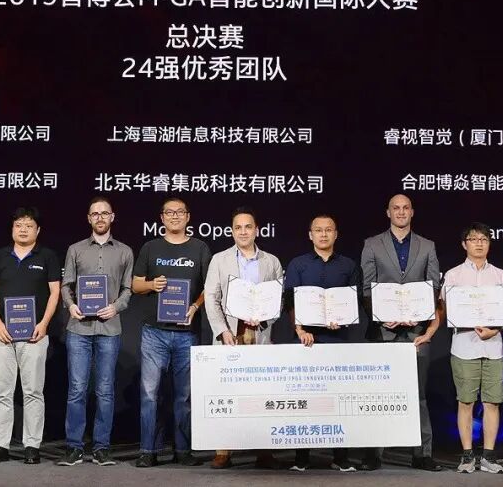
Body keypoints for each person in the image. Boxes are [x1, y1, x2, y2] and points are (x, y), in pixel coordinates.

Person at [359, 194, 442, 471]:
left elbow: (433, 288)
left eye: (406, 208)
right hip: (383, 332)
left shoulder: (427, 246)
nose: (401, 212)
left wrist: (420, 314)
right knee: (379, 394)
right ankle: (374, 454)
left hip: (417, 331)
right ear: (388, 212)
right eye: (396, 208)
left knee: (418, 395)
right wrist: (383, 317)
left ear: (412, 212)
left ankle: (422, 454)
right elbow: (367, 288)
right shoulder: (372, 244)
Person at [131, 197, 211, 468]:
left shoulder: (200, 248)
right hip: (154, 332)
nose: (175, 216)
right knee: (149, 394)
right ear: (162, 218)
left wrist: (195, 306)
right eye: (169, 212)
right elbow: (135, 284)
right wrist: (152, 285)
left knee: (184, 396)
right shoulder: (150, 247)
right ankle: (148, 450)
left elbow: (209, 287)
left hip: (187, 332)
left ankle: (183, 449)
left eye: (180, 212)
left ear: (188, 217)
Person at [204, 206, 284, 470]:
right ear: (231, 231)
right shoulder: (219, 260)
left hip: (259, 333)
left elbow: (279, 300)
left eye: (248, 227)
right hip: (230, 334)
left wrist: (265, 317)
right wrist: (222, 330)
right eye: (238, 227)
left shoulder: (271, 261)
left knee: (261, 393)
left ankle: (264, 450)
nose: (243, 232)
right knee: (226, 393)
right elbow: (211, 298)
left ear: (256, 230)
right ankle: (223, 452)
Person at [56, 197, 133, 467]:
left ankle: (102, 448)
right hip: (79, 328)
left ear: (112, 217)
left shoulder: (125, 252)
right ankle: (74, 447)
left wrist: (116, 307)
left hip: (109, 328)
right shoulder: (75, 249)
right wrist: (71, 305)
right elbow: (66, 285)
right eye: (95, 214)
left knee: (105, 391)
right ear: (89, 218)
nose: (100, 217)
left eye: (104, 213)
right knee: (77, 389)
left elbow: (127, 289)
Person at [0, 207, 61, 465]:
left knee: (33, 391)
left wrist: (44, 324)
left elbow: (55, 293)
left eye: (29, 225)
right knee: (2, 392)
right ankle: (1, 445)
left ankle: (32, 445)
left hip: (34, 335)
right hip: (2, 334)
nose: (23, 229)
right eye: (19, 225)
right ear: (12, 229)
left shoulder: (47, 256)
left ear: (38, 230)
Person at [284, 214, 361, 473]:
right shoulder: (298, 264)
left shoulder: (348, 265)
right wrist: (300, 329)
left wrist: (343, 319)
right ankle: (301, 458)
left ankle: (341, 457)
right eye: (318, 230)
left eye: (329, 230)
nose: (324, 234)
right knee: (304, 400)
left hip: (337, 339)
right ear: (310, 235)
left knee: (339, 400)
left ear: (336, 234)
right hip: (306, 340)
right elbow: (290, 302)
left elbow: (353, 301)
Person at [443, 222, 503, 474]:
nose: (479, 243)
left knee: (492, 402)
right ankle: (467, 457)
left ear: (489, 243)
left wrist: (495, 329)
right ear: (465, 244)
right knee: (466, 402)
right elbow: (447, 309)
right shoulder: (453, 276)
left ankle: (489, 456)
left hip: (493, 347)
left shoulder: (501, 276)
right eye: (474, 239)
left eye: (484, 239)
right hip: (464, 346)